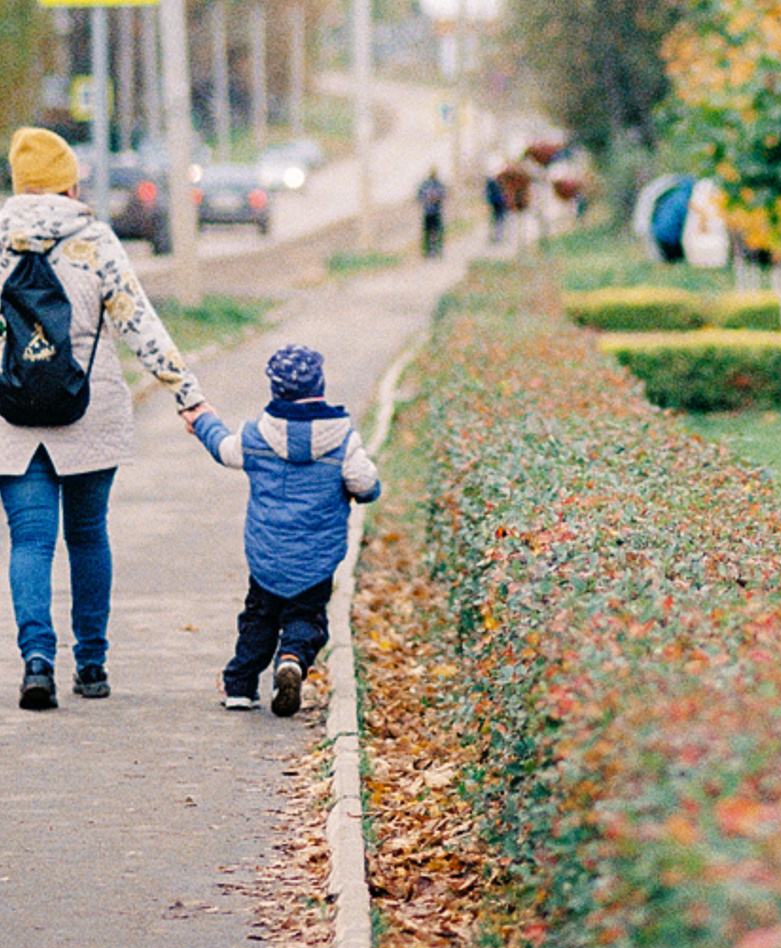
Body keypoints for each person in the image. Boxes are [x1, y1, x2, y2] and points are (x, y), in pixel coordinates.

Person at [0, 126, 205, 710]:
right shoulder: (94, 240)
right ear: (68, 182)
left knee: (30, 542)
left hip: (12, 415)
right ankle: (91, 665)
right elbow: (139, 323)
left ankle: (37, 660)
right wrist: (186, 392)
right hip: (90, 410)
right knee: (88, 537)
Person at [182, 343, 380, 716]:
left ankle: (240, 687)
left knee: (258, 617)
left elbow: (224, 448)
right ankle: (291, 660)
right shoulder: (341, 439)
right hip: (316, 558)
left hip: (267, 555)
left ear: (275, 390)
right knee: (306, 618)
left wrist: (203, 419)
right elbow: (365, 484)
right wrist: (366, 492)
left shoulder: (256, 436)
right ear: (320, 385)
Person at [416, 167, 446, 257]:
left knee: (437, 231)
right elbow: (419, 196)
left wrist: (436, 197)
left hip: (435, 211)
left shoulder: (438, 184)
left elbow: (443, 195)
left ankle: (438, 250)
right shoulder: (426, 185)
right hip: (428, 212)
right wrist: (427, 198)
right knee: (427, 232)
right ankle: (428, 251)